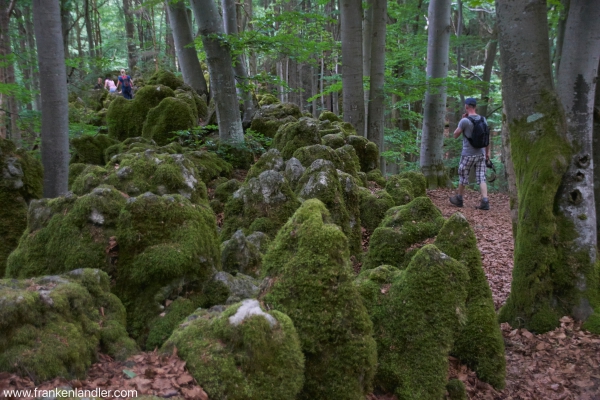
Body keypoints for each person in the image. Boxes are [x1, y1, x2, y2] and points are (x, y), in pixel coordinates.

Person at [449, 97, 491, 210]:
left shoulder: (464, 121)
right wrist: (487, 153)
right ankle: (485, 200)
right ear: (475, 107)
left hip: (468, 154)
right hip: (481, 153)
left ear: (466, 107)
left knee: (463, 175)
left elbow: (455, 134)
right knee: (481, 177)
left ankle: (459, 199)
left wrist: (461, 121)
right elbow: (487, 137)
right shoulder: (483, 119)